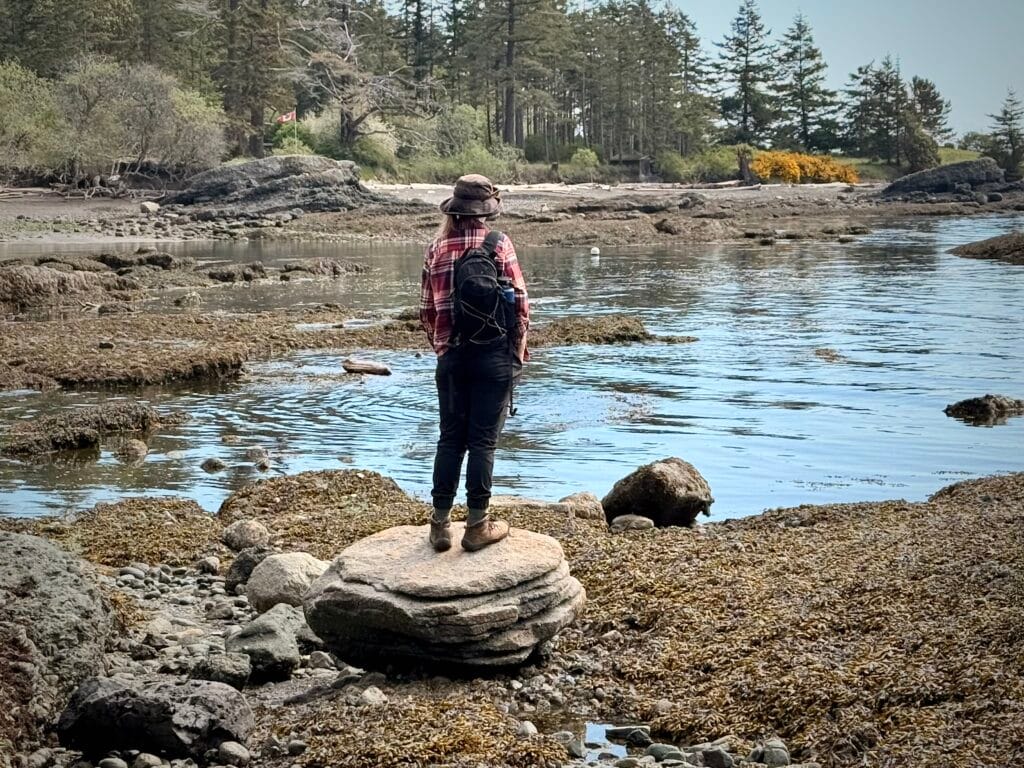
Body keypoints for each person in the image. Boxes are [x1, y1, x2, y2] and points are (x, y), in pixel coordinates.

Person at [420, 174, 530, 553]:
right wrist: (517, 352)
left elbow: (427, 311)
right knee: (483, 442)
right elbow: (521, 306)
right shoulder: (499, 244)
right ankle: (477, 525)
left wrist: (444, 348)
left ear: (454, 208)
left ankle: (439, 526)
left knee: (450, 439)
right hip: (494, 357)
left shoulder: (436, 247)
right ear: (487, 212)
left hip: (452, 358)